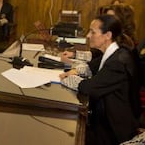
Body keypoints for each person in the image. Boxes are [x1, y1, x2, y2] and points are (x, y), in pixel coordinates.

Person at [60, 14, 141, 145]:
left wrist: (67, 78)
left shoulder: (118, 62)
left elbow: (89, 88)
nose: (88, 35)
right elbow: (91, 67)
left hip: (114, 131)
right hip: (104, 120)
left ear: (107, 36)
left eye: (92, 32)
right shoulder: (113, 52)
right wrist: (74, 72)